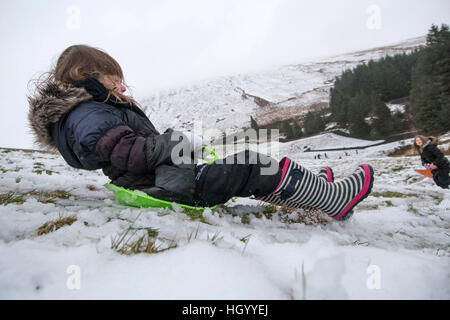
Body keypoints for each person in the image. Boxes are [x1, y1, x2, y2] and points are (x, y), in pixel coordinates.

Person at [28, 45, 374, 221]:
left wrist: (177, 148)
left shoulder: (93, 110)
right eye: (111, 76)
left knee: (240, 169)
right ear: (85, 74)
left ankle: (314, 193)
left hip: (163, 179)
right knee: (252, 165)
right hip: (166, 189)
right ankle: (335, 201)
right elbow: (131, 154)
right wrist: (178, 141)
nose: (120, 83)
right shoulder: (89, 114)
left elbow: (133, 150)